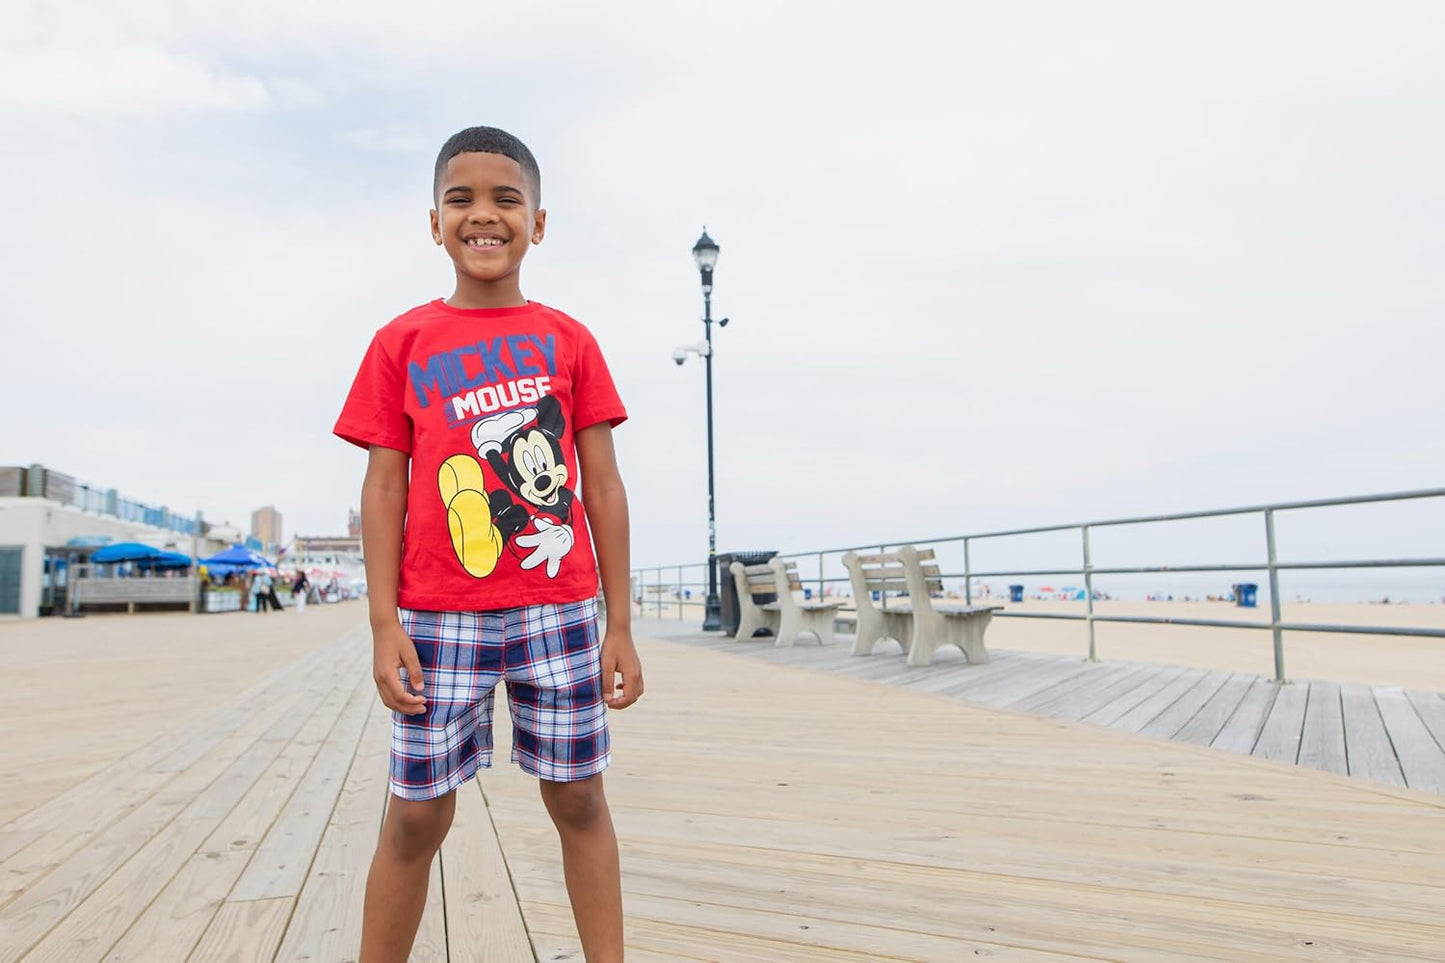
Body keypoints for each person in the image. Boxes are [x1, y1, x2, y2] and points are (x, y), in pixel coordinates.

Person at [333, 126, 642, 963]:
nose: (484, 215)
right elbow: (385, 487)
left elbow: (603, 486)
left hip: (561, 608)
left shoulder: (568, 340)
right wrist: (381, 622)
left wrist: (620, 623)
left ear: (538, 223)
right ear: (433, 222)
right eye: (461, 199)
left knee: (578, 799)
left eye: (506, 199)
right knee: (416, 814)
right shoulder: (402, 342)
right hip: (439, 616)